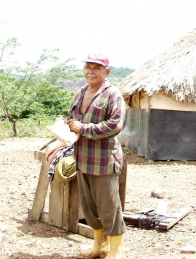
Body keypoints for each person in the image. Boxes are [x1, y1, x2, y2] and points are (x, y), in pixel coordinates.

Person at [67, 53, 126, 259]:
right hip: (83, 159)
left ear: (106, 72)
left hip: (104, 161)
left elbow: (114, 125)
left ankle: (116, 253)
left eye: (96, 68)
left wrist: (82, 128)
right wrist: (63, 135)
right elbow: (71, 119)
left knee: (109, 207)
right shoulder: (80, 93)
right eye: (88, 67)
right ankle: (99, 247)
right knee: (90, 207)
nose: (91, 71)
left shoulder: (112, 94)